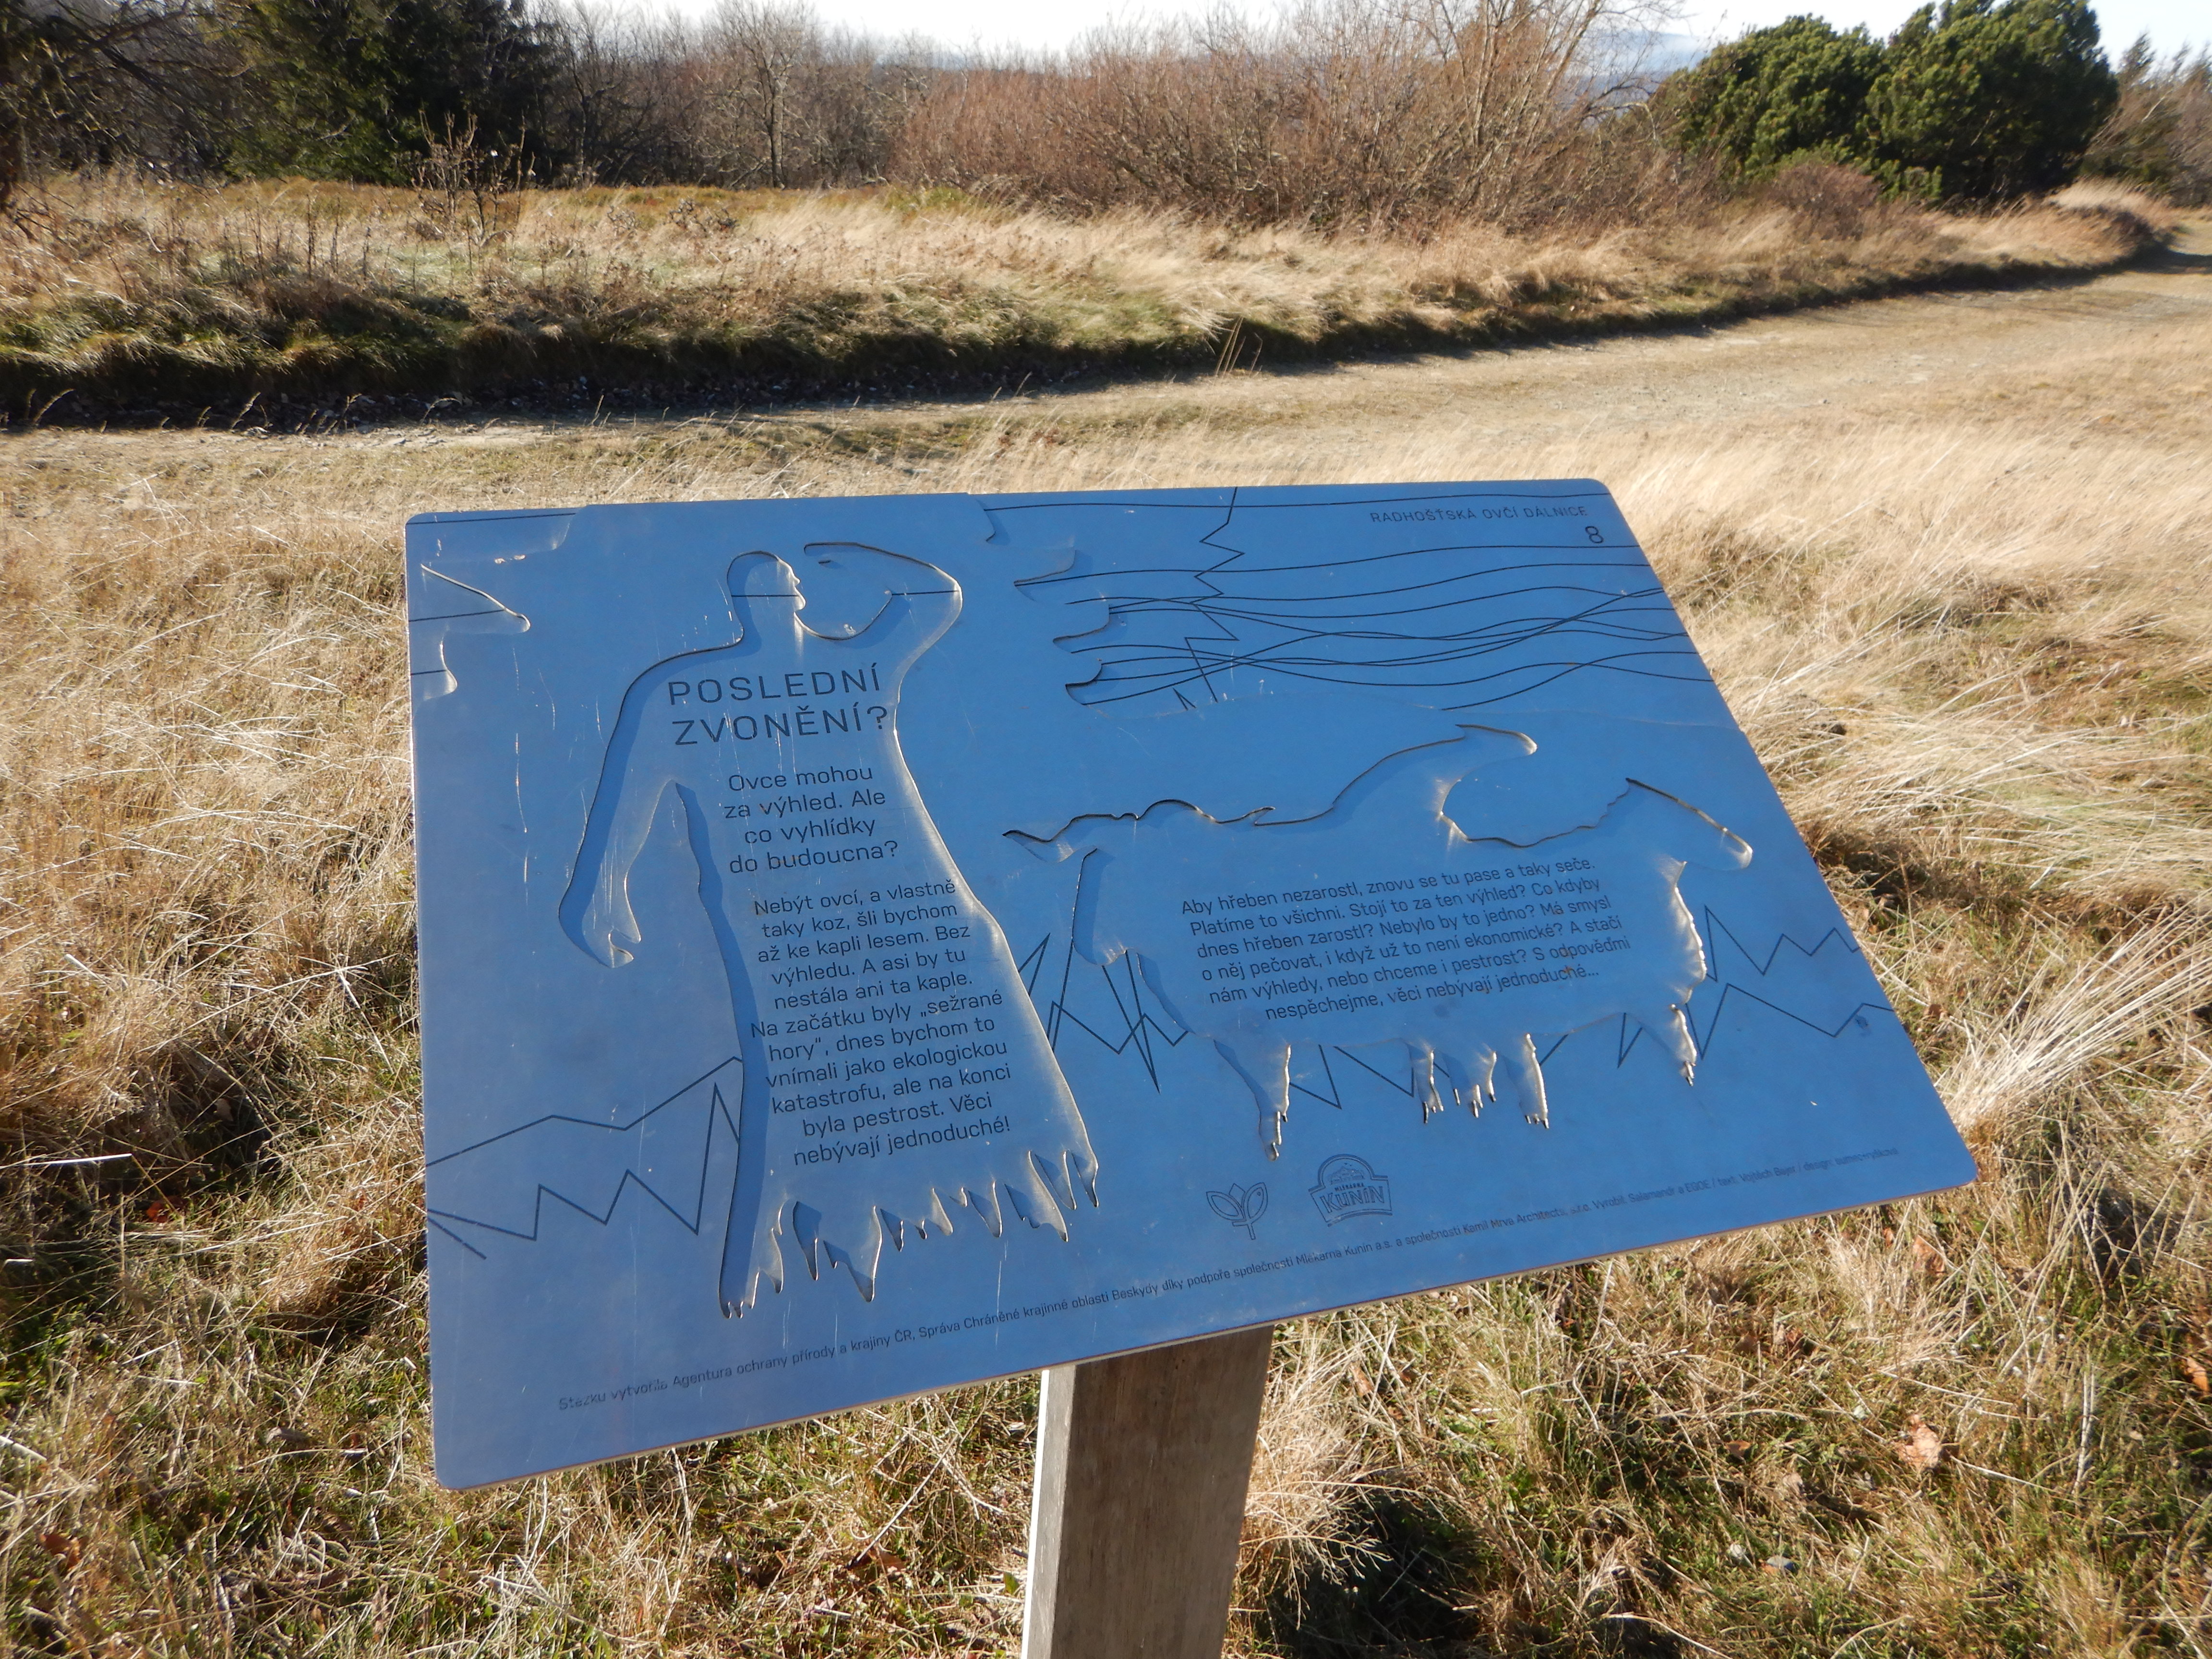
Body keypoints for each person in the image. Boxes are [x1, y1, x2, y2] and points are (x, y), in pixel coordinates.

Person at [561, 545, 1097, 1316]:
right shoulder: (677, 694)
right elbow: (632, 788)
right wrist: (602, 883)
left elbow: (936, 598)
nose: (775, 591)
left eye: (784, 582)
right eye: (762, 588)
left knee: (975, 978)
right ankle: (839, 1216)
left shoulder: (858, 666)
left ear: (799, 596)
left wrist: (849, 554)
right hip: (794, 922)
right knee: (815, 1052)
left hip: (914, 893)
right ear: (744, 606)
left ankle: (1018, 1166)